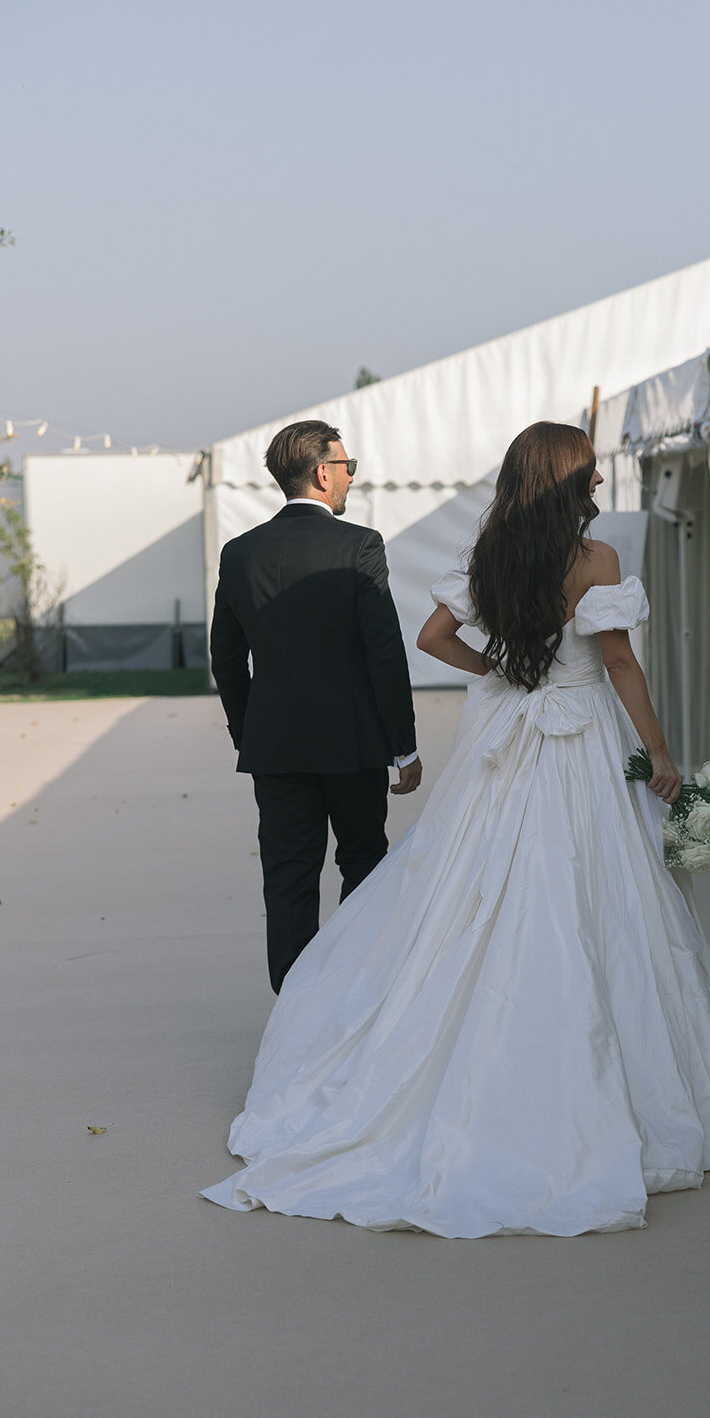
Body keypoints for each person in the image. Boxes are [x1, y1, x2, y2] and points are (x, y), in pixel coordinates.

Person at [202, 422, 710, 1237]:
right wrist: (660, 751)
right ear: (567, 481)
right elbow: (616, 661)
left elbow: (433, 638)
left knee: (463, 883)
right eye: (590, 472)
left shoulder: (490, 556)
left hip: (503, 732)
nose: (598, 483)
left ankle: (342, 1031)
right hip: (579, 734)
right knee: (593, 892)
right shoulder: (595, 559)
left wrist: (499, 667)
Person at [209, 419, 421, 993]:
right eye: (348, 466)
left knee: (287, 879)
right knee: (364, 865)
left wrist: (250, 732)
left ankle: (294, 1011)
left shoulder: (239, 552)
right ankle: (351, 996)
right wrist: (404, 746)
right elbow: (384, 653)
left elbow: (226, 658)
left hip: (275, 748)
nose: (352, 477)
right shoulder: (359, 546)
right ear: (324, 473)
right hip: (353, 745)